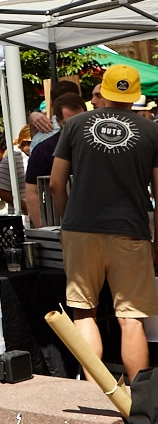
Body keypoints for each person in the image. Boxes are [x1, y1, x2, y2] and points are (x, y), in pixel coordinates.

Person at [50, 64, 158, 383]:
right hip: (131, 231)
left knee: (85, 312)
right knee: (131, 320)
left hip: (80, 229)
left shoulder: (75, 125)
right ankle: (138, 405)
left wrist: (68, 218)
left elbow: (56, 183)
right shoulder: (152, 130)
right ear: (134, 95)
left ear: (104, 91)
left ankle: (98, 393)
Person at [25, 93, 86, 227]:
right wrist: (44, 229)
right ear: (58, 121)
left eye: (80, 121)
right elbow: (32, 191)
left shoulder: (97, 144)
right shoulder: (44, 150)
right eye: (70, 123)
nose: (76, 126)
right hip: (58, 224)